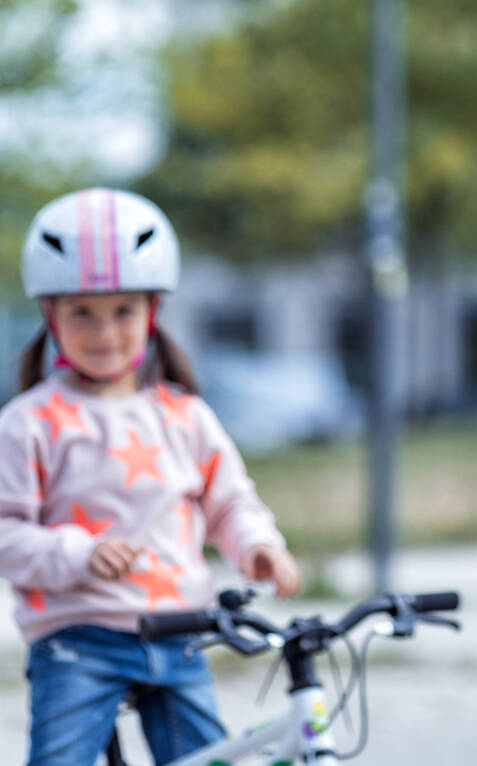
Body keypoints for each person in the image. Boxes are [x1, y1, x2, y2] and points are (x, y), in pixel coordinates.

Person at [0, 188, 302, 766]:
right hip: (77, 641)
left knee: (209, 759)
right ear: (50, 316)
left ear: (152, 313)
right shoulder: (29, 423)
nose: (104, 330)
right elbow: (7, 534)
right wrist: (78, 553)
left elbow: (230, 502)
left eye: (123, 311)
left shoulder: (183, 415)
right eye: (81, 312)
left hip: (180, 631)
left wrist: (259, 545)